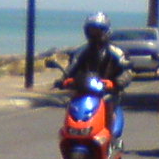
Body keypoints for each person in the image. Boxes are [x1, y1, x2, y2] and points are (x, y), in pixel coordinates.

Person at [57, 11, 133, 142]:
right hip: (83, 89)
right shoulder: (81, 51)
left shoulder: (117, 51)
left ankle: (111, 138)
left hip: (108, 91)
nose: (94, 34)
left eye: (98, 30)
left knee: (109, 104)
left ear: (106, 31)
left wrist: (117, 82)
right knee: (71, 105)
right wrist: (62, 79)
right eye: (91, 30)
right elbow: (72, 67)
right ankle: (71, 131)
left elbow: (126, 70)